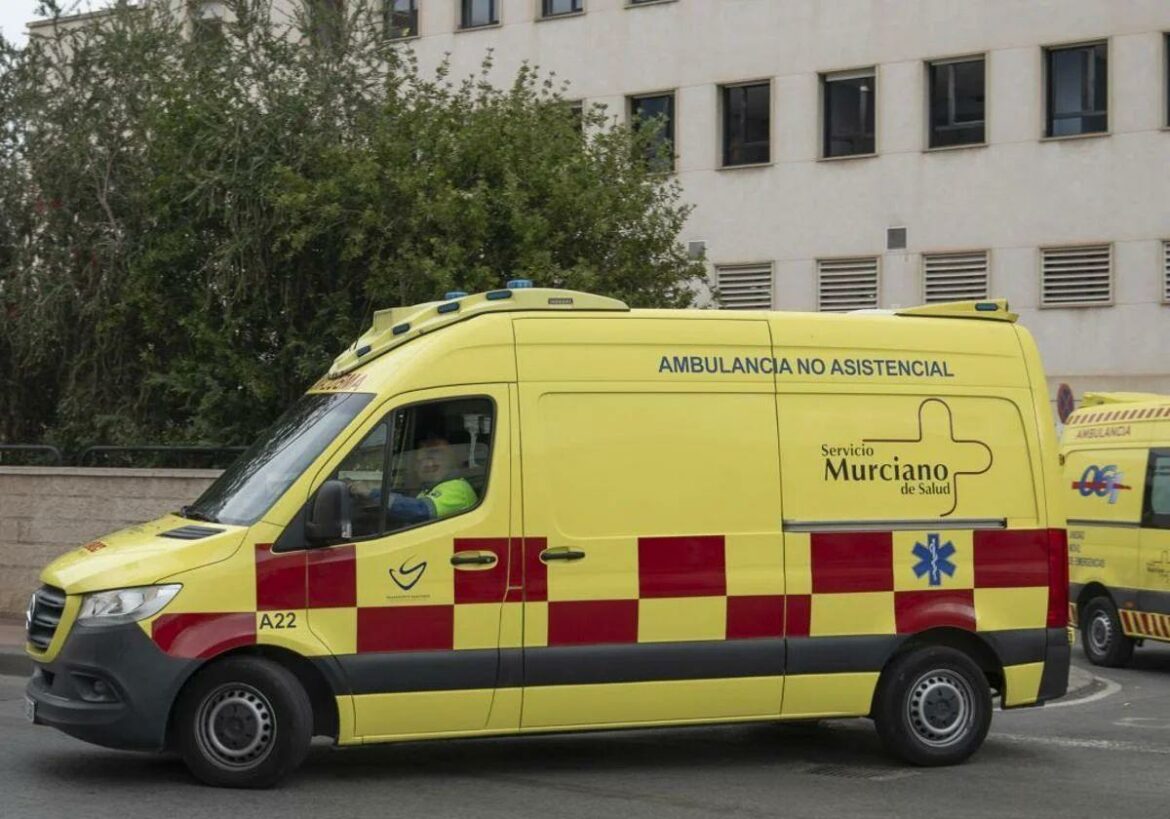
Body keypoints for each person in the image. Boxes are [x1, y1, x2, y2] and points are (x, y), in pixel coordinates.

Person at [378, 434, 478, 524]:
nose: (429, 464)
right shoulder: (426, 491)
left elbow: (420, 511)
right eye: (421, 460)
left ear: (453, 459)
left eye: (436, 456)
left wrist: (378, 496)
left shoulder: (458, 487)